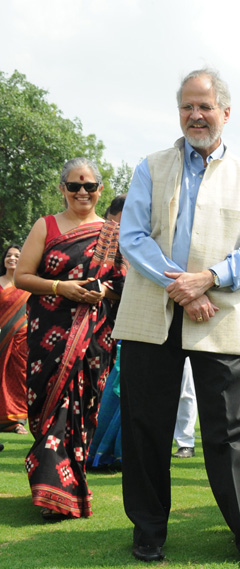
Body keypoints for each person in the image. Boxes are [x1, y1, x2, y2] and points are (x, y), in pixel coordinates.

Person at [115, 69, 240, 567]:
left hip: (220, 312)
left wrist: (206, 279)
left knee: (228, 431)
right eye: (187, 106)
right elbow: (133, 237)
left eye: (204, 106)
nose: (195, 115)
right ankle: (148, 533)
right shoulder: (150, 166)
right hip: (152, 312)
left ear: (225, 113)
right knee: (145, 426)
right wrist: (181, 287)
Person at [15, 157, 126, 519]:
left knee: (82, 409)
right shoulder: (45, 226)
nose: (82, 192)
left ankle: (66, 488)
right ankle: (52, 490)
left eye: (90, 186)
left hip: (93, 337)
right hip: (50, 334)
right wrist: (63, 286)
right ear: (62, 188)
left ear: (100, 190)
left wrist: (101, 292)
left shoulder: (112, 234)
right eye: (75, 186)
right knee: (50, 407)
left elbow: (123, 285)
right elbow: (23, 277)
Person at [86, 193, 128, 471]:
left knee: (111, 389)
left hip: (121, 326)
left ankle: (106, 451)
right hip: (90, 324)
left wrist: (106, 292)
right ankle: (86, 448)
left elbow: (122, 286)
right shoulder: (100, 238)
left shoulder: (130, 242)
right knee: (91, 387)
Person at [0, 244, 29, 434]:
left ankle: (17, 420)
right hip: (1, 336)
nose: (12, 259)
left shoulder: (27, 283)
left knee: (19, 378)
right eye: (9, 255)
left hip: (21, 339)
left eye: (17, 256)